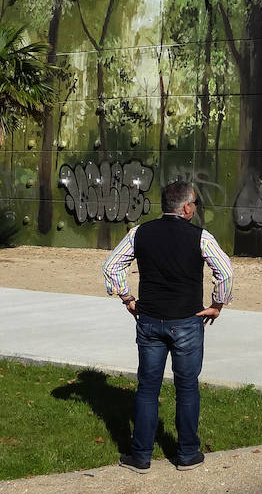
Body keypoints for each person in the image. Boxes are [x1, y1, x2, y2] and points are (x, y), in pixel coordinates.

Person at [103, 180, 233, 473]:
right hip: (187, 321)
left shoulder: (140, 233)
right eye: (195, 203)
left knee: (147, 388)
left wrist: (127, 298)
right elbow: (224, 271)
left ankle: (140, 456)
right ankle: (187, 453)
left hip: (149, 320)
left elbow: (111, 266)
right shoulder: (200, 236)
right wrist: (217, 304)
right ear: (186, 207)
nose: (195, 208)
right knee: (187, 388)